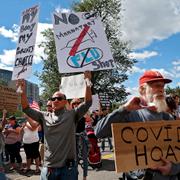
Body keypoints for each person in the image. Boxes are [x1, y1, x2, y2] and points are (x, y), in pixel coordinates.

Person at [95, 70, 179, 180]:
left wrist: (173, 168)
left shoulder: (169, 118)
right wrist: (124, 109)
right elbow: (99, 132)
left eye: (163, 86)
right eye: (156, 86)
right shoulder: (129, 115)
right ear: (142, 90)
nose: (161, 90)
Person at [18, 71, 92, 180]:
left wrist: (87, 81)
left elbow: (87, 103)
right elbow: (26, 108)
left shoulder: (72, 114)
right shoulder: (43, 116)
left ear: (65, 101)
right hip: (49, 169)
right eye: (53, 99)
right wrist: (22, 92)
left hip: (68, 169)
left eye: (59, 98)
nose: (56, 100)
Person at [71, 98, 89, 180]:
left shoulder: (84, 113)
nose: (76, 105)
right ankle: (75, 176)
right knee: (75, 160)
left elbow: (89, 119)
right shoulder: (70, 114)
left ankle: (84, 177)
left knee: (85, 158)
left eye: (78, 103)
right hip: (73, 138)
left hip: (82, 138)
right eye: (74, 103)